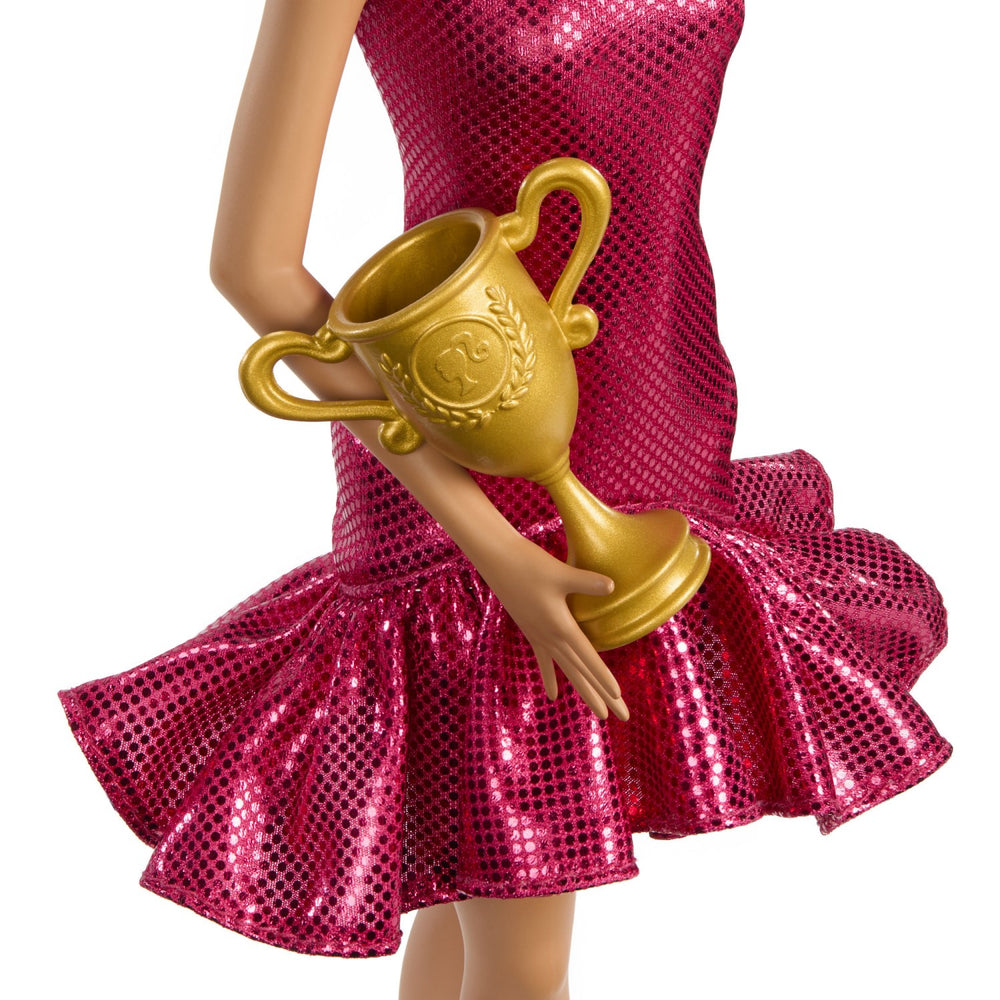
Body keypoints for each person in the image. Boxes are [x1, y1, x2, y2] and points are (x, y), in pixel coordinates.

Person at [57, 3, 952, 999]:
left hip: (662, 413)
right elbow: (252, 264)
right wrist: (483, 536)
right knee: (522, 949)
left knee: (479, 899)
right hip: (463, 433)